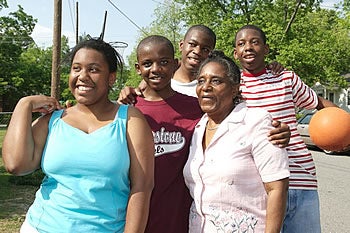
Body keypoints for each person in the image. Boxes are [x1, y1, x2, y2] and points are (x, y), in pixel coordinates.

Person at [2, 39, 154, 233]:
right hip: (41, 227)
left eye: (93, 69)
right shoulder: (52, 121)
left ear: (111, 78)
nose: (83, 76)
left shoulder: (130, 120)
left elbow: (142, 186)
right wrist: (24, 105)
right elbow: (16, 165)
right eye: (76, 68)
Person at [233, 24, 339, 233]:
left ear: (266, 49)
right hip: (260, 186)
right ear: (235, 53)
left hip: (302, 179)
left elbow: (320, 104)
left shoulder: (286, 78)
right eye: (242, 44)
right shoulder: (232, 87)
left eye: (255, 42)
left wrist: (343, 126)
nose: (248, 47)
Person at [119, 24, 291, 147]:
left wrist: (272, 129)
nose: (197, 51)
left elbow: (240, 117)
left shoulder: (217, 87)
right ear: (182, 45)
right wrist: (130, 91)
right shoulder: (151, 86)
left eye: (205, 49)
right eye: (192, 44)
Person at [183, 50, 290, 232]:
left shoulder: (256, 122)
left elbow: (277, 189)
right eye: (201, 80)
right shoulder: (198, 127)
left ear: (235, 89)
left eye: (216, 81)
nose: (206, 86)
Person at [129, 35, 203, 233]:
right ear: (138, 68)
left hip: (178, 218)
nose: (155, 69)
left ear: (175, 64)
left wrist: (272, 129)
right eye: (147, 63)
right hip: (133, 219)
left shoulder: (196, 108)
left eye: (163, 62)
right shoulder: (127, 110)